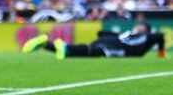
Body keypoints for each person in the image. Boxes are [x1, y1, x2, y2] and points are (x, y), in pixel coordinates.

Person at [23, 23, 167, 59]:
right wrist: (161, 52)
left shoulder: (132, 33)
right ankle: (64, 46)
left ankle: (45, 44)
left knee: (82, 52)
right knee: (92, 52)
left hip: (109, 39)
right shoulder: (146, 36)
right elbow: (159, 36)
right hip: (117, 46)